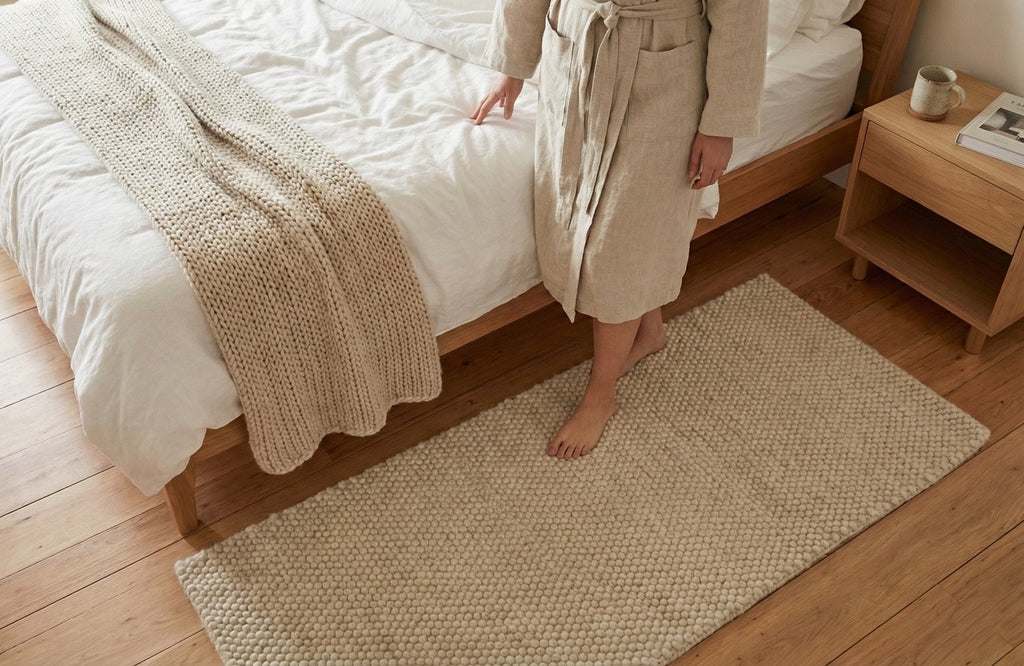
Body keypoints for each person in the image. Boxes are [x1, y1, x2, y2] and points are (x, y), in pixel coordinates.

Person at [471, 0, 767, 460]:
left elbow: (742, 15)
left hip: (666, 71)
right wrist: (512, 68)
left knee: (626, 240)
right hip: (574, 45)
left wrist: (721, 127)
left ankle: (601, 394)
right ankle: (649, 332)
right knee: (604, 223)